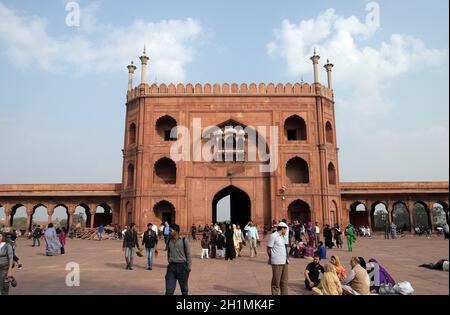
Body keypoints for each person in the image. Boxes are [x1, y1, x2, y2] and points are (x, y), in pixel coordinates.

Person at [165, 224, 192, 295]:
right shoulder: (169, 241)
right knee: (169, 290)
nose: (169, 232)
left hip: (182, 267)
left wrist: (188, 268)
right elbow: (168, 253)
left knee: (184, 289)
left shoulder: (184, 240)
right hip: (171, 267)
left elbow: (188, 254)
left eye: (170, 230)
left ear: (176, 231)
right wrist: (170, 262)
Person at [267, 222, 289, 295]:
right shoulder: (273, 236)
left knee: (284, 281)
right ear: (282, 228)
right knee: (276, 282)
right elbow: (268, 248)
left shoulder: (282, 236)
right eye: (286, 229)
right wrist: (272, 257)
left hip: (284, 261)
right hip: (277, 262)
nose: (286, 231)